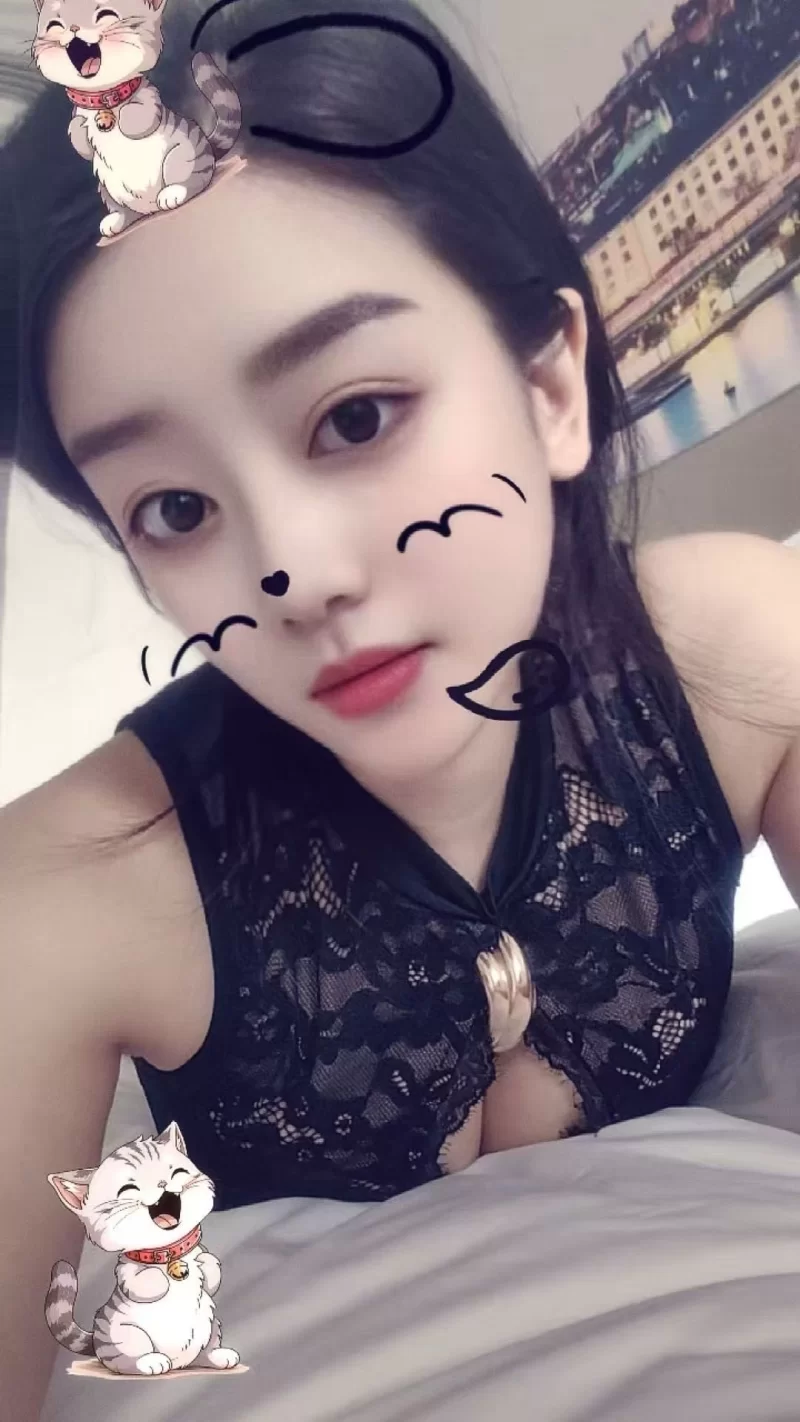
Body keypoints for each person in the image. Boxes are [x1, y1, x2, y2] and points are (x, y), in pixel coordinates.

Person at [2, 0, 799, 1416]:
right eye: (175, 508)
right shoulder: (68, 894)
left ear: (549, 385)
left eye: (356, 416)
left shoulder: (737, 656)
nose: (294, 572)